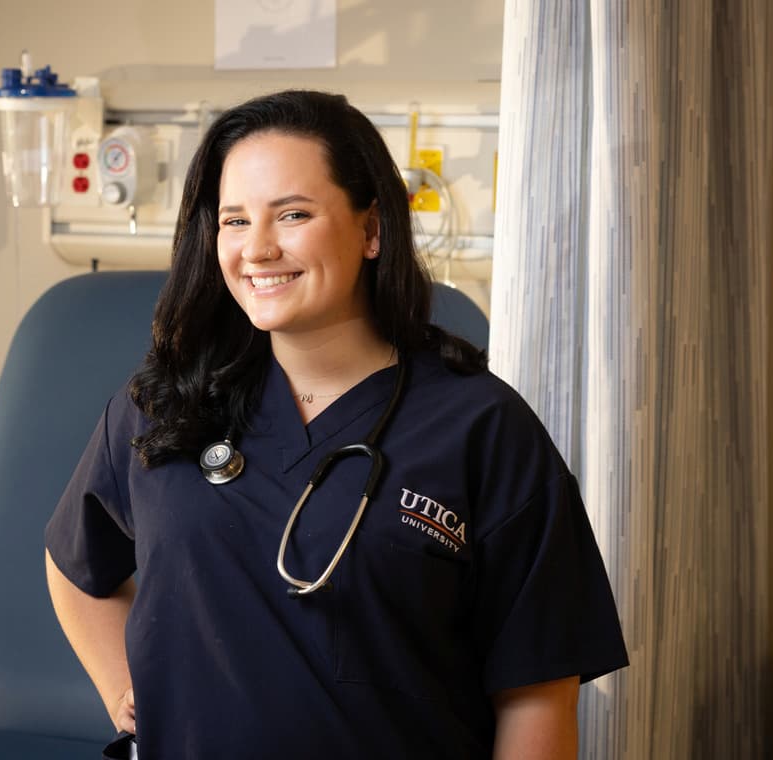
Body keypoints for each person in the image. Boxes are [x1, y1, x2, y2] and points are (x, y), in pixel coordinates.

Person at [45, 89, 627, 759]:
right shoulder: (166, 405)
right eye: (235, 221)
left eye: (293, 214)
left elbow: (537, 696)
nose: (257, 248)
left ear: (371, 229)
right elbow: (73, 563)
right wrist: (126, 690)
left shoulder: (483, 429)